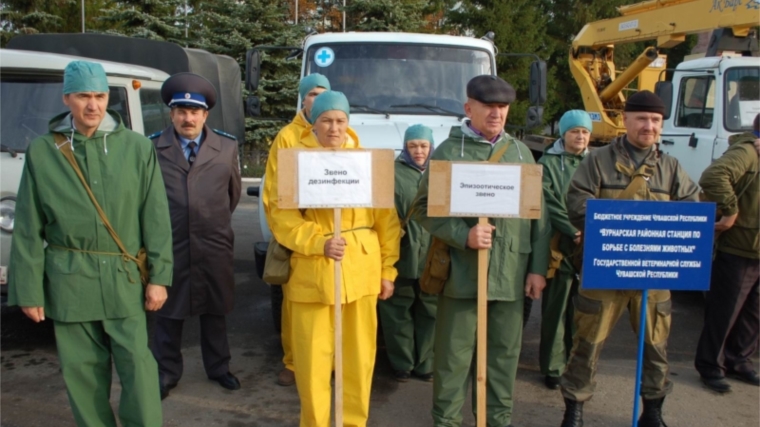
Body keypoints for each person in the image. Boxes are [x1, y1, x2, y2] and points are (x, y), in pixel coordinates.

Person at [8, 60, 173, 427]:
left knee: (139, 370)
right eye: (83, 96)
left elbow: (156, 217)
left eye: (99, 96)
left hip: (124, 279)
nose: (93, 105)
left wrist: (160, 277)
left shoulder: (135, 148)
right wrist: (29, 290)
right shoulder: (43, 152)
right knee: (83, 375)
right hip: (70, 282)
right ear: (67, 98)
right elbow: (29, 227)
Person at [414, 75, 551, 427]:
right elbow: (422, 207)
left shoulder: (520, 152)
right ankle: (446, 423)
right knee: (452, 360)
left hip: (509, 277)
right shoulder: (448, 151)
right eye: (488, 106)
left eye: (502, 107)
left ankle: (497, 423)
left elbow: (539, 216)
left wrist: (537, 268)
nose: (496, 114)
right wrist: (463, 235)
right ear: (468, 108)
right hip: (461, 275)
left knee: (504, 360)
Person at [560, 90, 700, 427]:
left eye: (655, 120)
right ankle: (574, 410)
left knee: (656, 348)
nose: (648, 126)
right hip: (605, 270)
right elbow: (576, 202)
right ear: (625, 120)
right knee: (587, 345)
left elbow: (693, 207)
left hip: (653, 275)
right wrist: (617, 220)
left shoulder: (670, 166)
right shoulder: (598, 160)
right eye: (641, 119)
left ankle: (652, 411)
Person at [267, 91, 401, 427]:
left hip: (361, 274)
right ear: (314, 122)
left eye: (340, 120)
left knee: (358, 359)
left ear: (348, 123)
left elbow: (387, 221)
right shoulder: (295, 160)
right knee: (312, 363)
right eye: (326, 120)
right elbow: (280, 216)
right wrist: (317, 242)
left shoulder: (369, 162)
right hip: (312, 274)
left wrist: (388, 270)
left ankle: (353, 422)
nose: (334, 127)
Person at [150, 72, 242, 399]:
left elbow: (232, 195)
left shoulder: (226, 147)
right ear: (171, 114)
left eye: (194, 112)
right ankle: (166, 372)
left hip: (213, 243)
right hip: (169, 245)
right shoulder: (152, 149)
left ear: (205, 115)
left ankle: (219, 368)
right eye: (181, 112)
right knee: (168, 314)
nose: (188, 119)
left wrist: (207, 222)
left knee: (215, 310)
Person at [263, 73, 331, 387]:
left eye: (323, 94)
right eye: (312, 94)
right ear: (302, 99)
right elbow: (274, 191)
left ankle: (329, 359)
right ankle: (293, 363)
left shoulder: (341, 131)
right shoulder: (288, 137)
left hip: (334, 238)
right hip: (300, 235)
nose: (317, 100)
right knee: (294, 304)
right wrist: (287, 232)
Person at [695, 113, 760, 393]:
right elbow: (713, 175)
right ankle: (711, 365)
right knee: (725, 310)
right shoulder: (747, 151)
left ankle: (739, 360)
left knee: (754, 314)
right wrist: (730, 211)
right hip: (739, 246)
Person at [378, 124, 437, 383]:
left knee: (431, 309)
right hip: (401, 249)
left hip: (432, 253)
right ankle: (402, 363)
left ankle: (425, 363)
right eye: (413, 145)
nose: (419, 151)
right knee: (396, 310)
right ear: (405, 147)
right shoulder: (390, 171)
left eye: (423, 145)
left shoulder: (441, 172)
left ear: (431, 146)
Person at [537, 110, 591, 390]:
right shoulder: (547, 163)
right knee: (556, 308)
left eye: (584, 132)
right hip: (560, 245)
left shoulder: (595, 162)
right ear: (563, 134)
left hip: (589, 246)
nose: (580, 136)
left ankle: (575, 361)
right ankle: (553, 366)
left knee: (583, 310)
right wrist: (573, 230)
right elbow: (550, 200)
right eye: (574, 131)